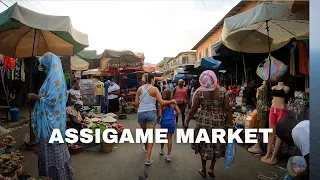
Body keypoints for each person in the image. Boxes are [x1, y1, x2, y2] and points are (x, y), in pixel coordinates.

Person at [27, 52, 74, 180]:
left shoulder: (54, 78)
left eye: (43, 63)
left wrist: (34, 97)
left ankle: (54, 176)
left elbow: (51, 102)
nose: (42, 66)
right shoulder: (55, 76)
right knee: (59, 152)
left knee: (51, 154)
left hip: (50, 124)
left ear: (49, 63)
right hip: (57, 123)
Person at [184, 70, 233, 179]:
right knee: (216, 144)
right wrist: (231, 124)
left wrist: (187, 121)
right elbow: (227, 109)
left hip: (203, 122)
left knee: (204, 145)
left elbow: (193, 109)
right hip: (219, 121)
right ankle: (212, 167)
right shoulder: (223, 91)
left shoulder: (200, 92)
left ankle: (203, 168)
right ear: (214, 78)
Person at [135, 73, 176, 166]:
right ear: (152, 79)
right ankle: (148, 158)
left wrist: (141, 108)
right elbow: (161, 101)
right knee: (150, 135)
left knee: (144, 132)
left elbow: (136, 104)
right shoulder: (155, 89)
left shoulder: (139, 89)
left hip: (141, 113)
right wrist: (172, 101)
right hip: (151, 113)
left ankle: (145, 146)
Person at [158, 89, 181, 162]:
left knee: (162, 137)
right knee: (169, 138)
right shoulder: (174, 103)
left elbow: (160, 115)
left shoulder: (161, 104)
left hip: (164, 122)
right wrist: (173, 114)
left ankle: (161, 150)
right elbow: (179, 112)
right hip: (171, 122)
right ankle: (168, 155)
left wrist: (158, 120)